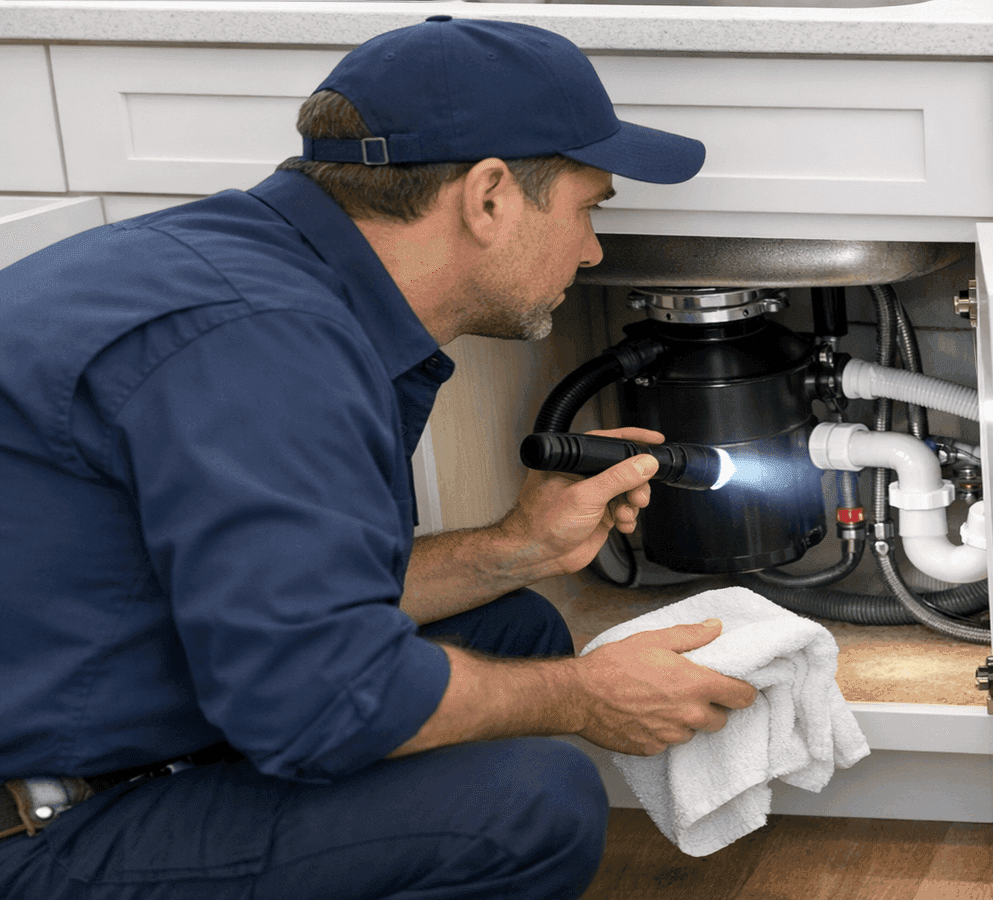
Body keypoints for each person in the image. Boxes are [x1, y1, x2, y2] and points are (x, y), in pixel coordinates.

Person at [0, 17, 757, 900]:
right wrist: (586, 697)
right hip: (28, 827)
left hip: (77, 691)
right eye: (588, 208)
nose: (591, 249)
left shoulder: (248, 273)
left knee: (515, 632)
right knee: (527, 806)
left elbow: (296, 599)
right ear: (488, 196)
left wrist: (521, 546)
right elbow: (317, 705)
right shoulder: (268, 347)